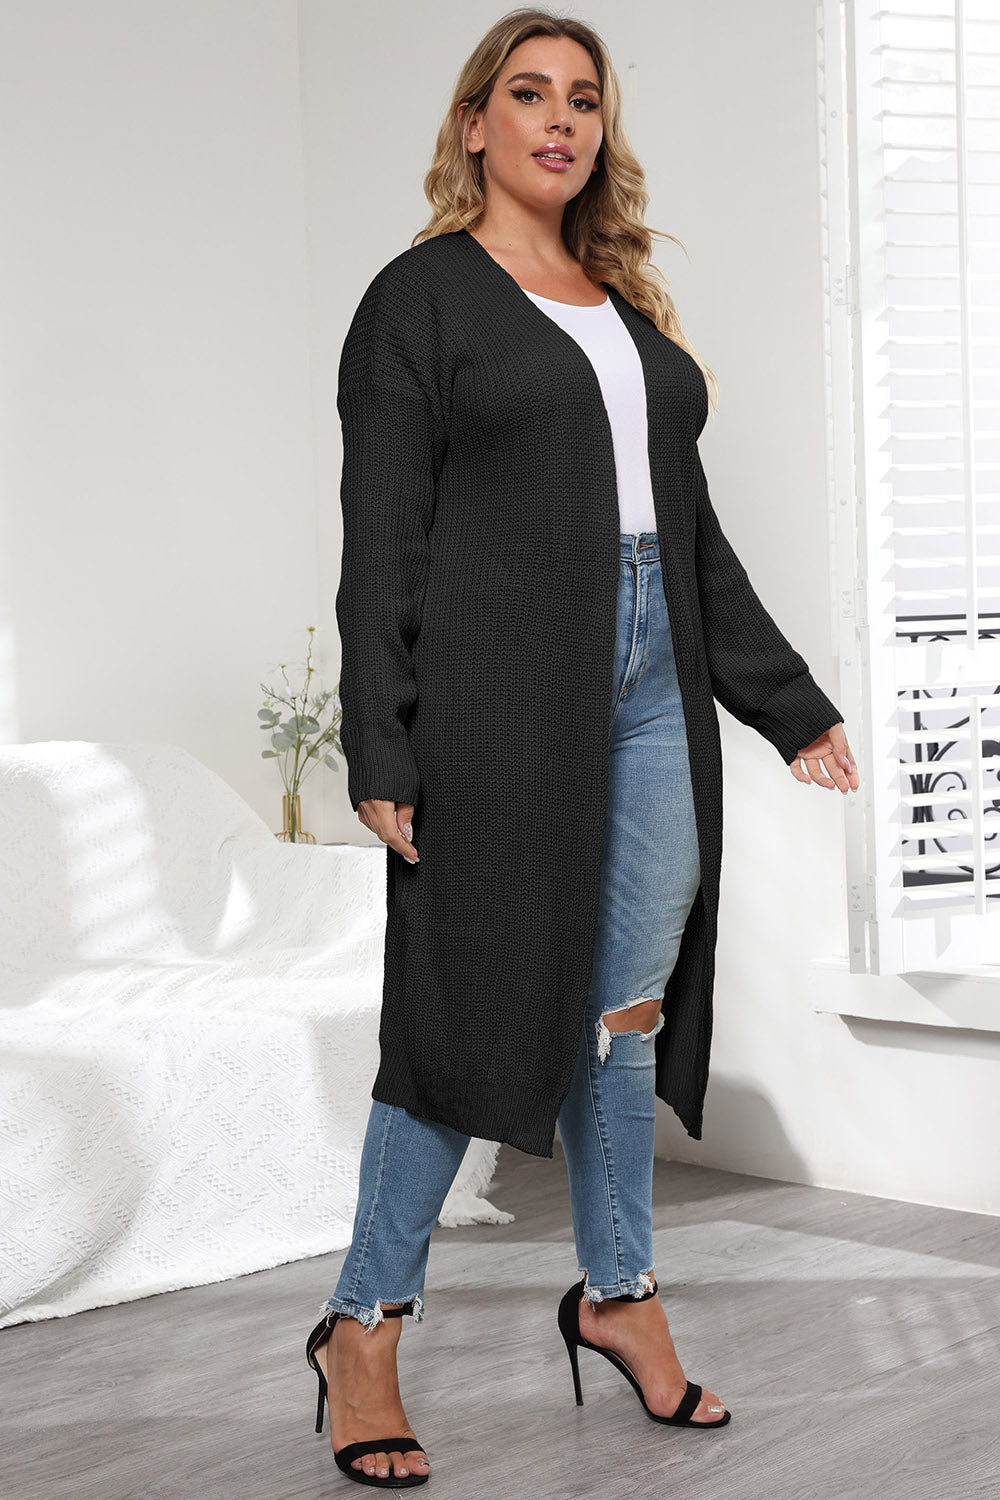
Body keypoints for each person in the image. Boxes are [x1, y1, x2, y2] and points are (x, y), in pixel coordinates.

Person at [305, 8, 860, 1488]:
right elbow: (381, 540)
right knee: (466, 1008)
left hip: (655, 679)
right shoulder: (418, 302)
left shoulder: (623, 305)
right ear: (474, 122)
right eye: (529, 93)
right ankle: (365, 1326)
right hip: (499, 693)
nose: (560, 119)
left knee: (622, 1012)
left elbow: (687, 535)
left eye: (585, 100)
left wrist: (787, 700)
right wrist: (383, 741)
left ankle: (620, 1295)